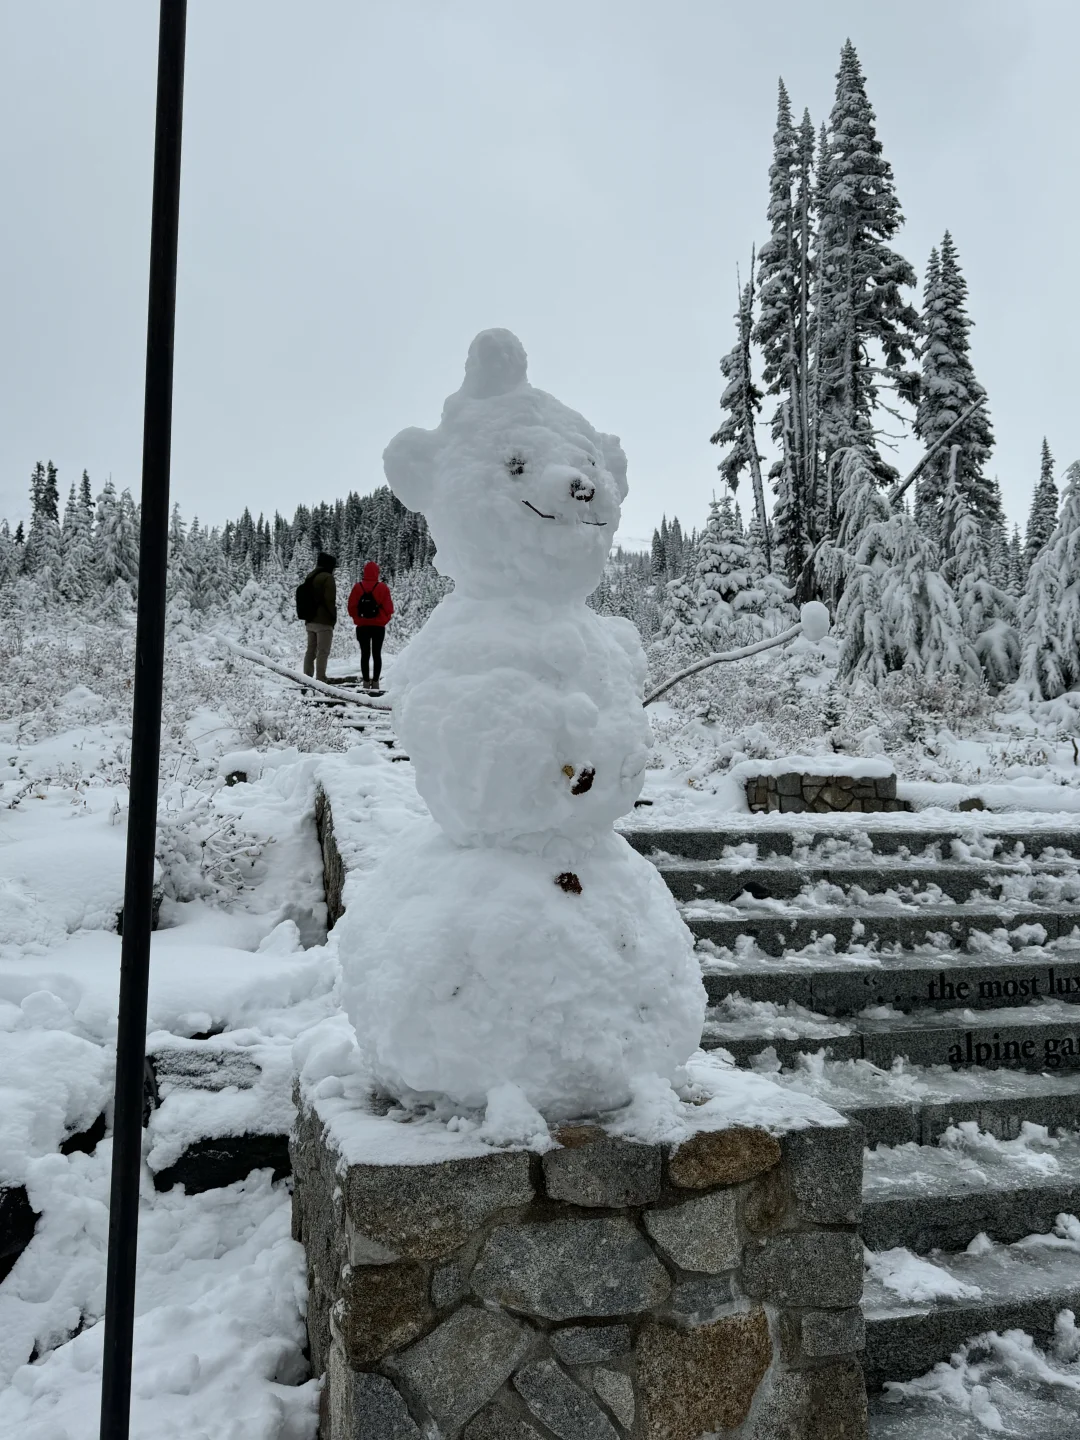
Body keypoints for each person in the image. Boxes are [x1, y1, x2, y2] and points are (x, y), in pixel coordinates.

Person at [347, 561, 394, 689]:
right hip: (378, 627)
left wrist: (359, 619)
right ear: (377, 572)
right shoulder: (383, 587)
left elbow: (351, 608)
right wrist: (382, 620)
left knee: (365, 654)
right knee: (377, 654)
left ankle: (366, 682)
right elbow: (389, 609)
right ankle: (376, 683)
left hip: (362, 627)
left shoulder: (358, 587)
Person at [301, 552, 338, 683]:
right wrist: (333, 617)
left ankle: (306, 678)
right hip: (323, 622)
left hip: (309, 620)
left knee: (310, 650)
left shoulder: (310, 576)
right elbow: (330, 600)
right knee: (323, 651)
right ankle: (321, 679)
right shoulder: (327, 578)